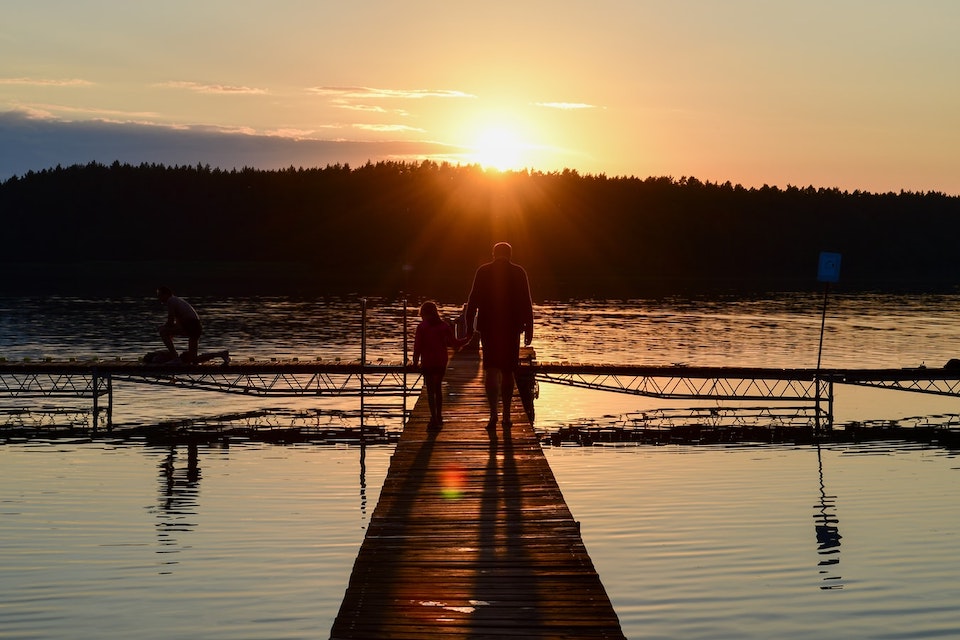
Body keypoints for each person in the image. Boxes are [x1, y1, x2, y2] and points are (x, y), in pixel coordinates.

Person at [465, 242, 534, 430]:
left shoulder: (483, 271)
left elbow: (473, 299)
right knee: (508, 371)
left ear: (494, 254)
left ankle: (493, 413)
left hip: (488, 327)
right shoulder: (519, 272)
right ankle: (506, 415)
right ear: (510, 255)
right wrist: (530, 328)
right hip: (511, 328)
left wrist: (468, 326)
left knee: (491, 370)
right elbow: (526, 302)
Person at [413, 301, 470, 430]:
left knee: (430, 390)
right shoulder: (443, 326)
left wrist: (415, 362)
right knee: (437, 389)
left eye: (422, 315)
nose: (422, 317)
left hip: (428, 362)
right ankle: (439, 416)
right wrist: (467, 339)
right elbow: (454, 343)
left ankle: (433, 417)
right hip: (440, 362)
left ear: (425, 314)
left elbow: (417, 347)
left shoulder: (422, 327)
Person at [156, 285, 202, 363]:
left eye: (160, 295)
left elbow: (170, 321)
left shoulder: (170, 301)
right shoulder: (176, 300)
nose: (159, 298)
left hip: (192, 327)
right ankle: (221, 354)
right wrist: (172, 331)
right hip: (196, 328)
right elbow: (178, 321)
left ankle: (175, 358)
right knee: (193, 358)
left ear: (166, 294)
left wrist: (163, 327)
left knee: (162, 331)